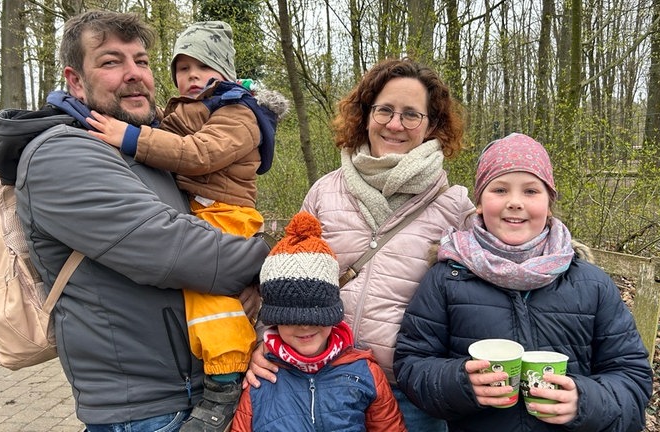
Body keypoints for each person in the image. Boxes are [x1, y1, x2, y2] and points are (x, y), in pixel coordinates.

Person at [0, 10, 271, 432]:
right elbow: (173, 249)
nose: (134, 74)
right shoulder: (60, 155)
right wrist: (271, 261)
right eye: (110, 61)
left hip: (200, 388)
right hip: (149, 411)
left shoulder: (144, 145)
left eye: (141, 61)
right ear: (75, 80)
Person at [246, 57, 476, 431]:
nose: (395, 124)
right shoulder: (325, 190)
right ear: (366, 114)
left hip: (410, 394)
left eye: (411, 115)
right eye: (384, 110)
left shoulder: (455, 208)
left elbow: (485, 290)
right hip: (323, 382)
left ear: (432, 125)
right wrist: (265, 341)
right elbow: (286, 273)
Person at [85, 20, 288, 431]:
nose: (192, 76)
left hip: (227, 212)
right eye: (182, 68)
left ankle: (226, 382)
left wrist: (129, 138)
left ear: (226, 73)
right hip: (200, 210)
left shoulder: (239, 113)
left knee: (206, 291)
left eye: (204, 67)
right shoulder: (183, 109)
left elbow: (199, 154)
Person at [393, 133, 653, 431]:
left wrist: (584, 402)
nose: (515, 203)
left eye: (531, 191)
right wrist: (461, 383)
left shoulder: (591, 284)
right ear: (478, 203)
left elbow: (632, 378)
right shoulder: (447, 278)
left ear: (549, 204)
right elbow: (412, 364)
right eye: (500, 189)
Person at [231, 211, 407, 431]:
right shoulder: (259, 380)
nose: (305, 325)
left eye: (316, 314)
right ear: (275, 320)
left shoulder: (366, 373)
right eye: (291, 318)